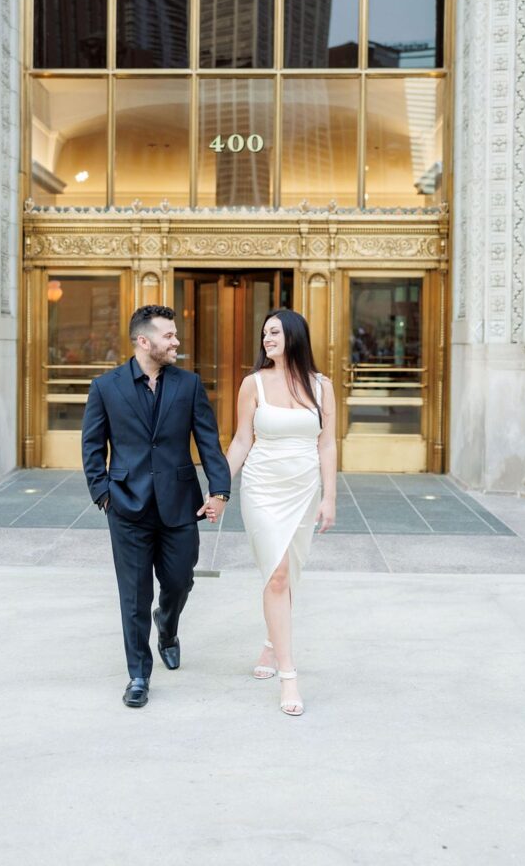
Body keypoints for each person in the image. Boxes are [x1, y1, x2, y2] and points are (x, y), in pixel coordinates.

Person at [82, 305, 230, 709]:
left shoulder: (189, 385)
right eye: (169, 336)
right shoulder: (106, 387)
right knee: (133, 595)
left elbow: (208, 441)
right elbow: (92, 447)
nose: (176, 342)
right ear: (144, 341)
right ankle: (138, 675)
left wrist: (219, 491)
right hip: (126, 505)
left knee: (180, 581)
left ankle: (167, 626)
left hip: (180, 504)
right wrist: (103, 493)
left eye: (175, 335)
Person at [216, 309, 336, 716]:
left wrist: (330, 497)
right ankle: (289, 675)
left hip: (304, 490)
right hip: (263, 489)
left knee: (290, 574)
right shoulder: (252, 385)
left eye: (275, 332)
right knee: (278, 573)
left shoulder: (322, 387)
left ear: (294, 336)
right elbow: (241, 440)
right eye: (264, 333)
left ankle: (271, 645)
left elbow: (327, 445)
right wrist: (219, 489)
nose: (267, 339)